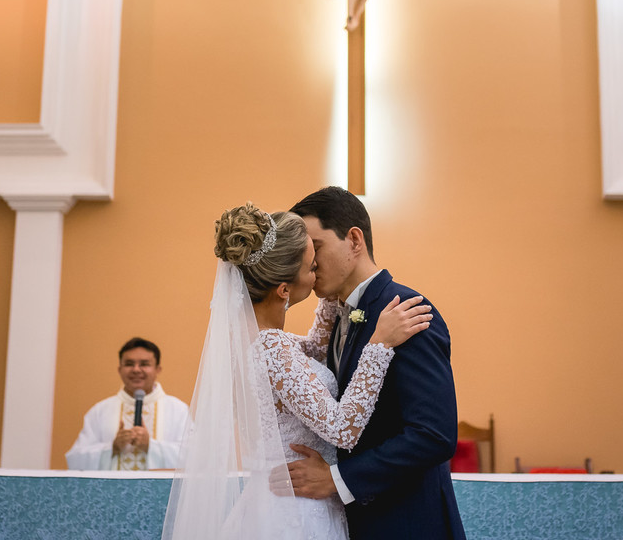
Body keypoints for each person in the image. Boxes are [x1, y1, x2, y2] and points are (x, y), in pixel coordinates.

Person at [161, 204, 431, 540]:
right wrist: (379, 345)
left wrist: (332, 299)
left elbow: (315, 356)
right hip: (296, 514)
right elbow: (342, 428)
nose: (317, 273)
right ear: (285, 290)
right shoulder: (271, 349)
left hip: (283, 501)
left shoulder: (264, 343)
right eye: (311, 267)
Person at [286, 186, 466, 539]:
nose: (307, 263)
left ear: (354, 240)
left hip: (408, 523)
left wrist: (338, 479)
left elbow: (434, 434)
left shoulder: (405, 310)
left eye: (315, 247)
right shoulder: (336, 317)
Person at [65, 337, 189, 470]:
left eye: (144, 364)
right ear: (120, 369)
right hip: (112, 490)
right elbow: (75, 459)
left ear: (158, 369)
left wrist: (151, 446)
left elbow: (195, 457)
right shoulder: (100, 411)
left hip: (161, 490)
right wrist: (112, 448)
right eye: (129, 364)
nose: (136, 370)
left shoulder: (178, 410)